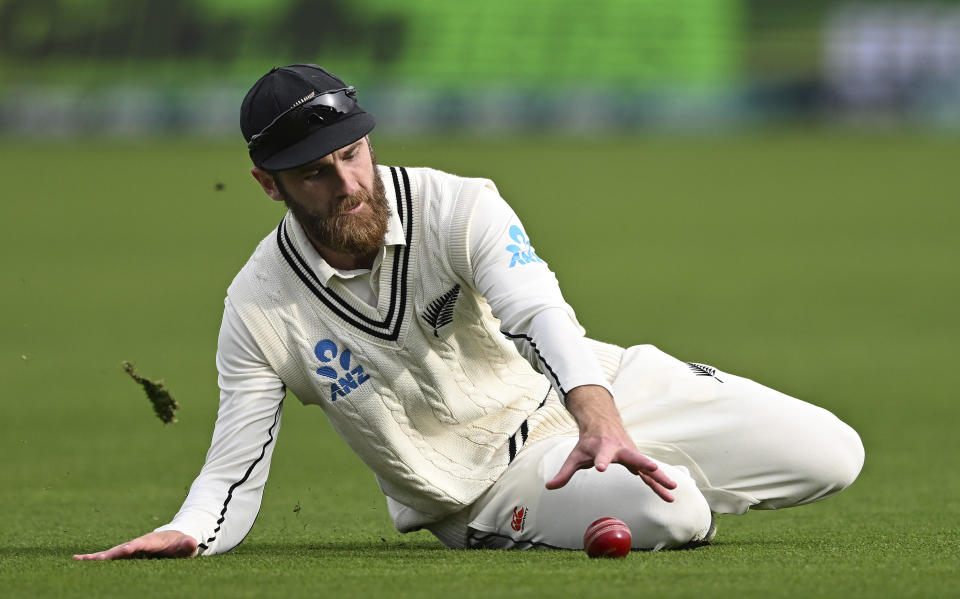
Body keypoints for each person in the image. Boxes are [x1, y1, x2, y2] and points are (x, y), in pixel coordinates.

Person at [74, 64, 864, 560]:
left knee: (834, 453)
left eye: (352, 153)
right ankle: (576, 501)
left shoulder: (460, 205)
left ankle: (615, 467)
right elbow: (234, 466)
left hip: (589, 390)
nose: (348, 185)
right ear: (267, 184)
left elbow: (536, 305)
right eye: (315, 173)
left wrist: (599, 414)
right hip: (479, 479)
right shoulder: (258, 305)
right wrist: (191, 531)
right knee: (678, 516)